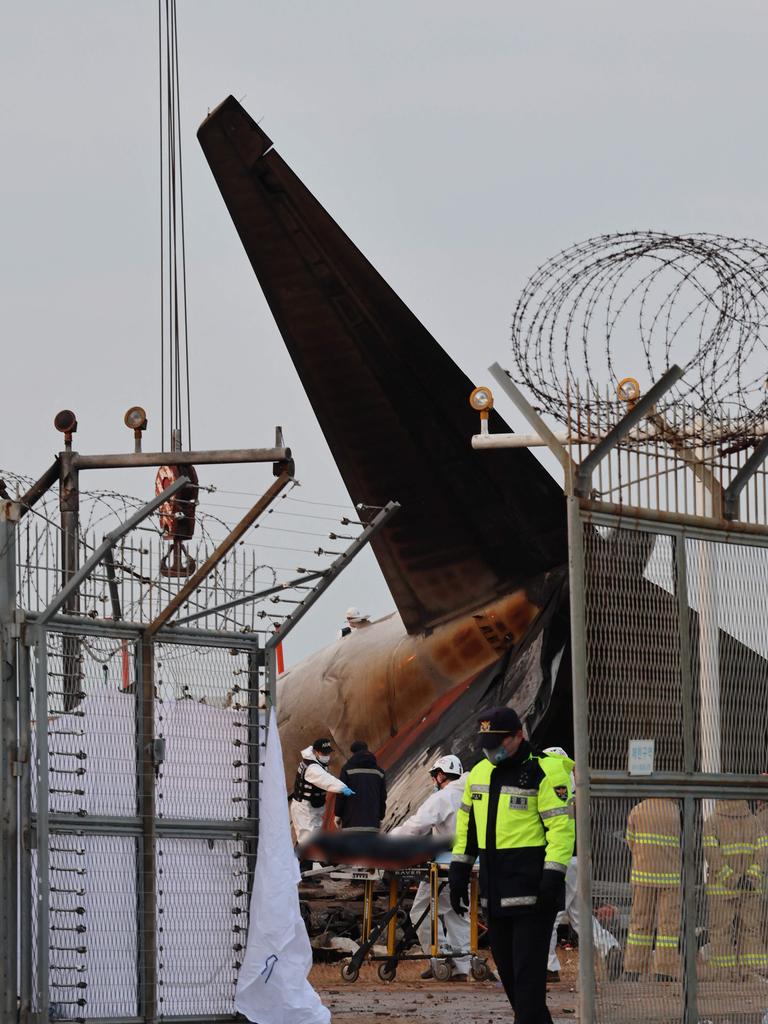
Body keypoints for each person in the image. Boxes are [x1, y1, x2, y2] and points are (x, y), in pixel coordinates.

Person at [449, 707, 575, 1022]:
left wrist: (552, 876)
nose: (492, 750)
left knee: (528, 979)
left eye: (499, 742)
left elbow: (561, 830)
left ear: (519, 735)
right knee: (511, 980)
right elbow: (467, 827)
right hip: (495, 894)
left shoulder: (543, 772)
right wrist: (458, 871)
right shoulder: (478, 773)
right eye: (487, 743)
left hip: (534, 895)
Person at [542, 746, 623, 983]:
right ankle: (609, 947)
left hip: (561, 858)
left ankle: (547, 966)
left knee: (551, 914)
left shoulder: (552, 786)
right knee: (579, 914)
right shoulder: (578, 789)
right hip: (578, 858)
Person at [390, 755, 472, 981]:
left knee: (420, 910)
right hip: (468, 864)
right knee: (459, 912)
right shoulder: (472, 793)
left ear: (441, 775)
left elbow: (416, 826)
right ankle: (461, 967)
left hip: (444, 866)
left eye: (435, 776)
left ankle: (439, 958)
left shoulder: (443, 798)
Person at [702, 799, 766, 979]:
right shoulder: (754, 822)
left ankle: (724, 976)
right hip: (749, 889)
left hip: (721, 890)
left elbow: (711, 854)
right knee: (750, 931)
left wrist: (731, 879)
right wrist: (751, 878)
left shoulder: (712, 822)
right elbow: (762, 851)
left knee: (721, 932)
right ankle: (752, 975)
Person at [624, 797, 681, 980]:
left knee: (640, 924)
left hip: (643, 875)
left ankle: (633, 969)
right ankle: (664, 972)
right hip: (670, 877)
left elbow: (630, 841)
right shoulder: (675, 811)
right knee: (668, 927)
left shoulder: (638, 809)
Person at [290, 737, 353, 859]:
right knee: (306, 839)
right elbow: (326, 780)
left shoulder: (317, 764)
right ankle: (298, 866)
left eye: (328, 752)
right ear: (316, 752)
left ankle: (306, 866)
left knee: (310, 837)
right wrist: (342, 788)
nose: (327, 755)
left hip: (313, 807)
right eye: (324, 753)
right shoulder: (312, 768)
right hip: (304, 808)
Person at [335, 741, 387, 832]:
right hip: (372, 824)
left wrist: (338, 814)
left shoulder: (347, 770)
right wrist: (380, 816)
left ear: (353, 753)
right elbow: (382, 797)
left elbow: (341, 793)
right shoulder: (379, 772)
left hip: (351, 824)